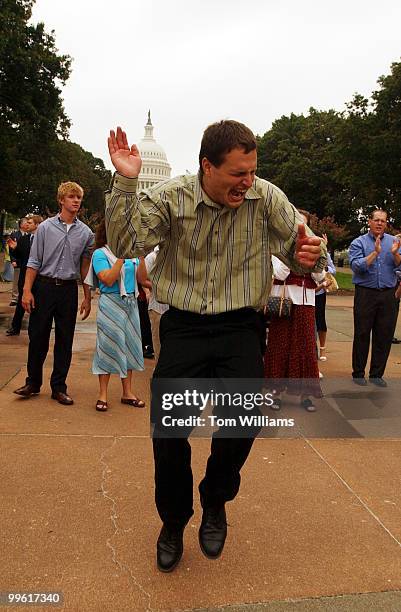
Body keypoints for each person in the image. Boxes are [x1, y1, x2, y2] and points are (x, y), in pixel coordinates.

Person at [105, 121, 325, 572]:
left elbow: (303, 248)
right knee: (169, 432)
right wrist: (126, 181)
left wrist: (312, 254)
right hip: (184, 327)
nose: (248, 182)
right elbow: (126, 244)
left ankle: (215, 497)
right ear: (207, 165)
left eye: (252, 171)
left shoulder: (266, 197)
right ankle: (173, 520)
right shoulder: (172, 197)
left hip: (241, 326)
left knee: (242, 423)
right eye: (238, 173)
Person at [13, 182, 94, 405]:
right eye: (71, 197)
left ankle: (59, 387)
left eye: (78, 197)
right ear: (61, 200)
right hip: (44, 286)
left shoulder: (86, 233)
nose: (76, 201)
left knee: (65, 339)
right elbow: (33, 261)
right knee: (37, 336)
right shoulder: (45, 228)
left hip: (68, 289)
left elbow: (85, 267)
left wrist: (87, 296)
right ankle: (33, 382)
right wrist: (27, 290)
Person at [264, 210, 325, 412]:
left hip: (306, 301)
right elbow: (280, 272)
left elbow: (318, 277)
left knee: (305, 347)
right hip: (284, 299)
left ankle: (305, 394)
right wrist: (293, 253)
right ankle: (275, 392)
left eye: (305, 226)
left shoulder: (315, 249)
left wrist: (311, 257)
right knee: (279, 344)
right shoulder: (279, 247)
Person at [86, 219, 144, 411]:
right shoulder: (100, 253)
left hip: (130, 303)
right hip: (110, 302)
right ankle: (102, 394)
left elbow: (142, 278)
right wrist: (122, 256)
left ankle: (127, 392)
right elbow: (108, 279)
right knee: (108, 345)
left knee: (130, 345)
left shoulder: (132, 253)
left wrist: (141, 255)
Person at [349, 209, 401, 387]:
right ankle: (358, 373)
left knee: (384, 334)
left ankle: (377, 374)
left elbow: (400, 265)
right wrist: (375, 253)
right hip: (366, 293)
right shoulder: (359, 242)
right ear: (369, 221)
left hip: (389, 294)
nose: (380, 223)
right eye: (376, 220)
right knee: (362, 333)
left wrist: (394, 253)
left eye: (383, 221)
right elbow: (356, 266)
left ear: (386, 223)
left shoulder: (394, 242)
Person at [6, 215, 43, 336]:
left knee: (40, 304)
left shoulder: (44, 239)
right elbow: (20, 255)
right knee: (21, 303)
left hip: (40, 277)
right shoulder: (23, 239)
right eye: (27, 222)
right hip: (24, 276)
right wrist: (15, 249)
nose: (27, 224)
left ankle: (37, 329)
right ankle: (15, 327)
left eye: (30, 223)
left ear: (37, 225)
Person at [136, 247, 169, 362]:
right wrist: (154, 289)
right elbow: (142, 279)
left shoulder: (177, 254)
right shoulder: (152, 257)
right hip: (158, 308)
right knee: (158, 344)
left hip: (176, 308)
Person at [314, 233, 337, 361]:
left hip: (320, 292)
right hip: (307, 291)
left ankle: (322, 348)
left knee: (320, 320)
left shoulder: (325, 255)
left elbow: (333, 270)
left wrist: (326, 267)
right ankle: (312, 349)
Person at [9, 217, 29, 305]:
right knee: (16, 279)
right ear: (21, 225)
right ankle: (15, 298)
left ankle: (22, 296)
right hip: (17, 261)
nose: (27, 224)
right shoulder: (15, 235)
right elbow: (11, 249)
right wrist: (13, 260)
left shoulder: (28, 235)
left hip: (26, 262)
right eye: (26, 223)